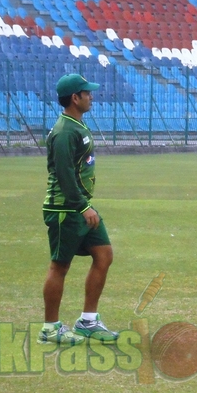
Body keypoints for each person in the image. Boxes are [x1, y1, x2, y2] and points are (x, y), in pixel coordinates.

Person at [39, 73, 119, 345]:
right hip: (65, 209)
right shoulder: (64, 132)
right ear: (75, 98)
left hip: (81, 207)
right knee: (59, 266)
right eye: (87, 93)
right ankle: (50, 328)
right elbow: (63, 174)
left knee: (104, 255)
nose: (91, 96)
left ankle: (88, 321)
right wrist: (83, 206)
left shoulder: (75, 125)